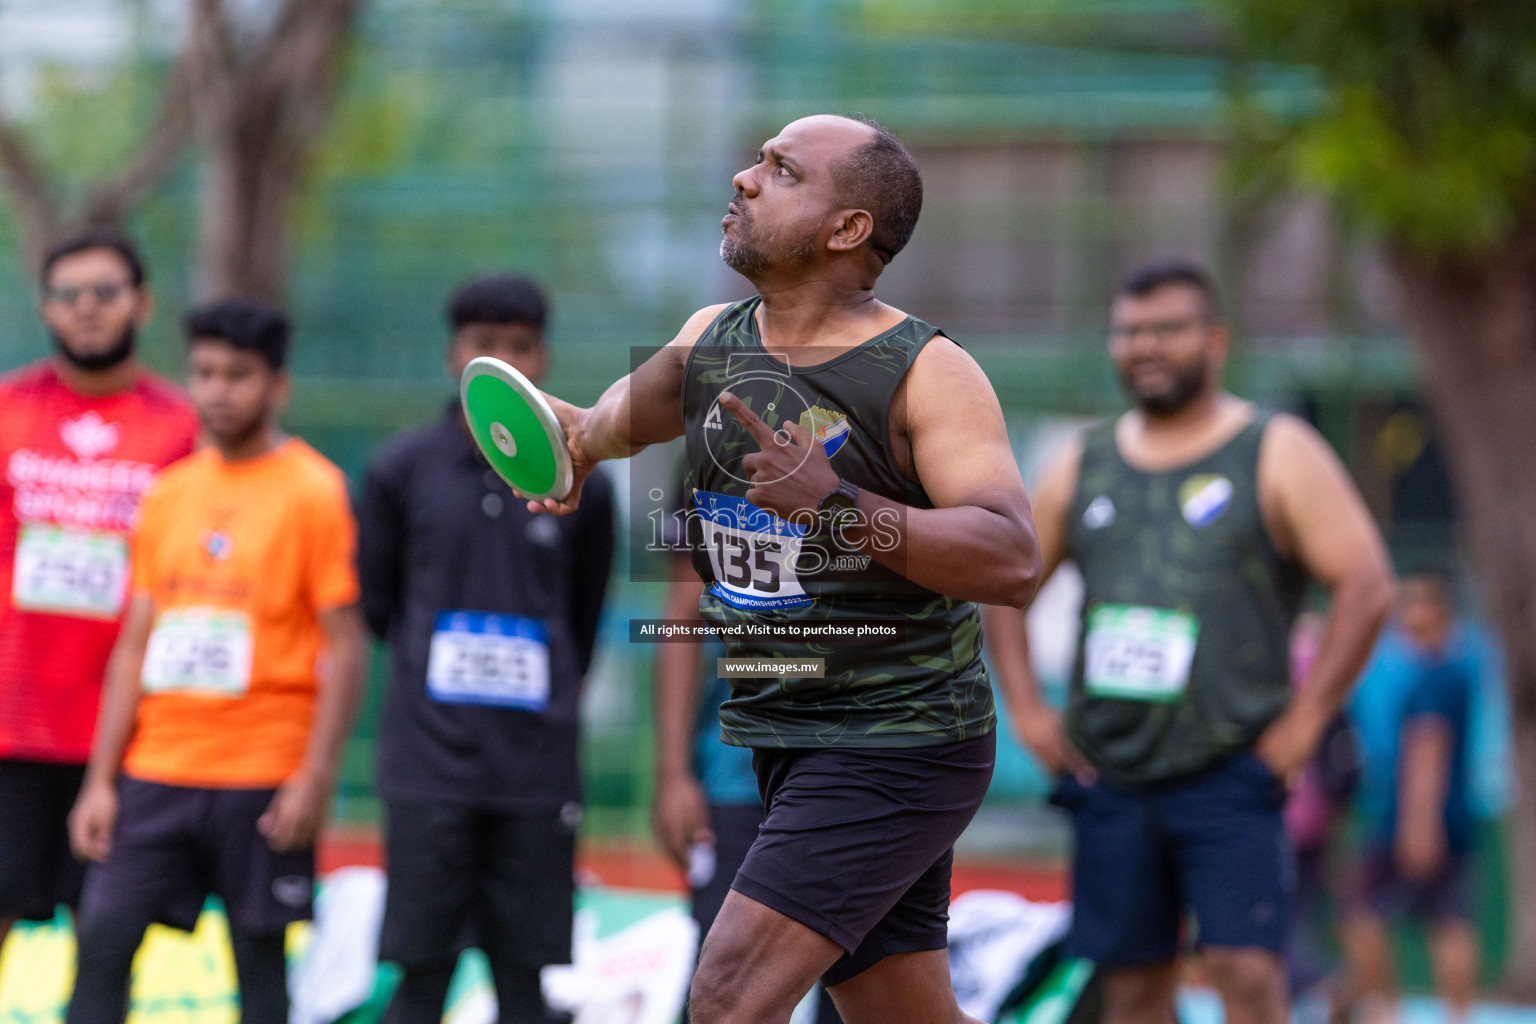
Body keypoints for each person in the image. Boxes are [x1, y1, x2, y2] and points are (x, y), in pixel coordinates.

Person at [517, 114, 1040, 1024]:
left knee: (724, 997)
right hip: (785, 736)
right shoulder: (710, 339)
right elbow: (605, 423)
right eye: (757, 161)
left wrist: (834, 503)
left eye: (781, 170)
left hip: (899, 737)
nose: (745, 178)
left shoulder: (929, 370)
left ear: (847, 230)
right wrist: (566, 449)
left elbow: (1011, 554)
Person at [984, 261, 1396, 1024]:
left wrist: (1303, 727)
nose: (1146, 345)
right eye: (1129, 330)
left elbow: (1367, 584)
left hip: (1231, 769)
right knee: (1133, 988)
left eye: (1167, 329)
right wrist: (1028, 712)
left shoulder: (1275, 449)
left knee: (1245, 972)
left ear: (1214, 340)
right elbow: (1008, 585)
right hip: (1111, 771)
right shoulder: (1083, 459)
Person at [64, 298, 367, 1024]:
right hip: (157, 770)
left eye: (238, 374)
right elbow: (135, 642)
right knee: (101, 948)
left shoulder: (314, 491)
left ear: (277, 386)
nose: (218, 390)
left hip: (262, 773)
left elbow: (348, 645)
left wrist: (313, 779)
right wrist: (101, 780)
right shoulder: (169, 492)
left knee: (259, 969)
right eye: (203, 372)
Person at [358, 275, 614, 1024]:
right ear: (453, 356)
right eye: (484, 345)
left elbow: (582, 619)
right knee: (419, 981)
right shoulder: (400, 469)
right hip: (428, 766)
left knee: (524, 987)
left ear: (544, 357)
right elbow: (380, 608)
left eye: (519, 345)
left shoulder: (582, 485)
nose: (503, 359)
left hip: (534, 772)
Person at [0, 230, 197, 965]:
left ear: (142, 303)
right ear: (45, 308)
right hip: (11, 724)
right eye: (67, 295)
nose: (86, 309)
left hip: (129, 736)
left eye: (105, 293)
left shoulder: (182, 428)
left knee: (106, 944)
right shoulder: (6, 409)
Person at [650, 545, 841, 1023]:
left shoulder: (891, 478)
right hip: (733, 774)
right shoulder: (710, 472)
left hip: (854, 773)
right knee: (720, 975)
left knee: (865, 978)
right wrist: (673, 773)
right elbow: (683, 614)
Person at [1340, 573, 1479, 1024]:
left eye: (1415, 603)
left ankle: (1385, 1012)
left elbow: (1428, 749)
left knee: (1362, 917)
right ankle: (1457, 1016)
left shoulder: (1432, 681)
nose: (1405, 613)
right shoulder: (1456, 673)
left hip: (1412, 819)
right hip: (1453, 816)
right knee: (1451, 921)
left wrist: (1418, 824)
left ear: (1440, 612)